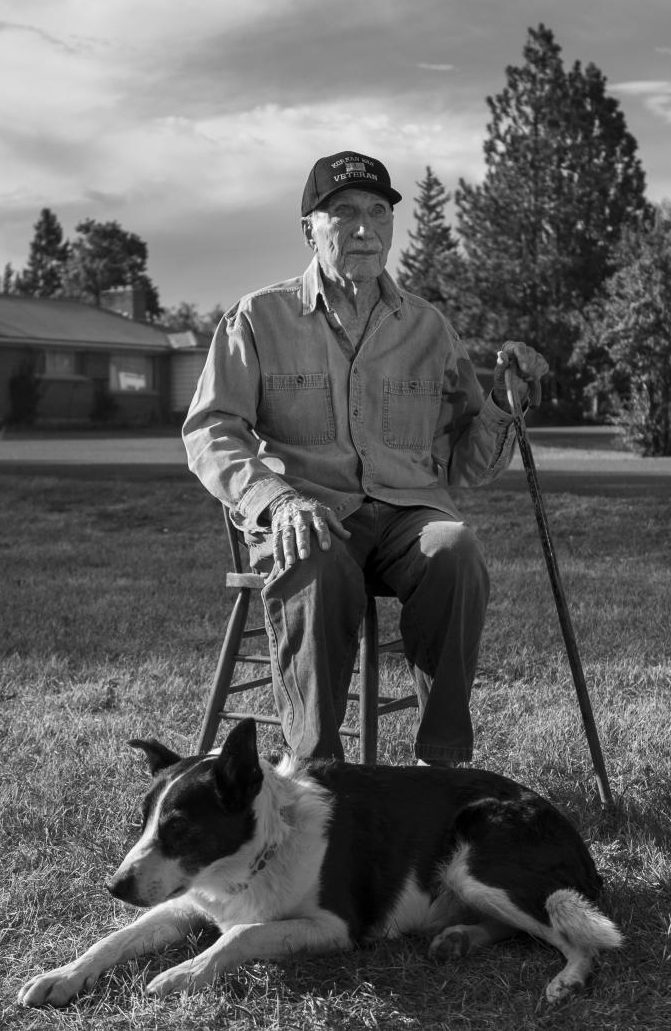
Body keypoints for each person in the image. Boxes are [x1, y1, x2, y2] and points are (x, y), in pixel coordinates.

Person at [181, 150, 548, 765]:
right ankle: (318, 772)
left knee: (455, 549)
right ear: (309, 229)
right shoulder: (256, 318)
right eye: (343, 212)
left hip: (407, 517)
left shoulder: (429, 328)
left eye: (379, 212)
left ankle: (445, 762)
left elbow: (468, 465)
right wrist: (277, 500)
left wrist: (504, 405)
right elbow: (210, 429)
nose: (364, 228)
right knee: (313, 556)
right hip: (312, 514)